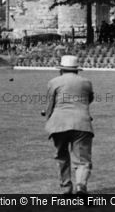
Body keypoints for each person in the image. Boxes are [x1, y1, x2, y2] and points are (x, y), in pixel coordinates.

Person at [43, 55, 94, 196]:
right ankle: (81, 186)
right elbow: (89, 99)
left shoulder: (54, 82)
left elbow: (50, 105)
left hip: (58, 123)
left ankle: (66, 188)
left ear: (61, 70)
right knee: (82, 159)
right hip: (82, 123)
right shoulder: (86, 82)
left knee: (61, 155)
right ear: (77, 70)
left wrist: (48, 120)